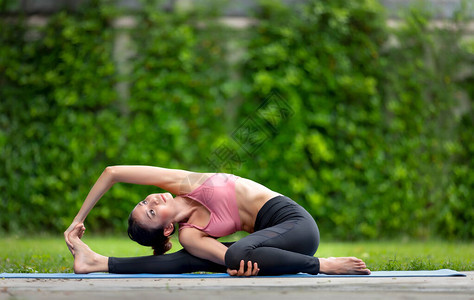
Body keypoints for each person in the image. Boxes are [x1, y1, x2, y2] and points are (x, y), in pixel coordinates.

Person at [64, 166, 371, 276]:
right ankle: (97, 262)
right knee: (191, 259)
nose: (152, 200)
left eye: (145, 201)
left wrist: (78, 220)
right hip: (272, 247)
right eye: (151, 212)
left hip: (296, 226)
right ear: (168, 229)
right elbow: (230, 259)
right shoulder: (190, 235)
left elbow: (113, 173)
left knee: (237, 255)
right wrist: (245, 267)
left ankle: (322, 265)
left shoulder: (183, 182)